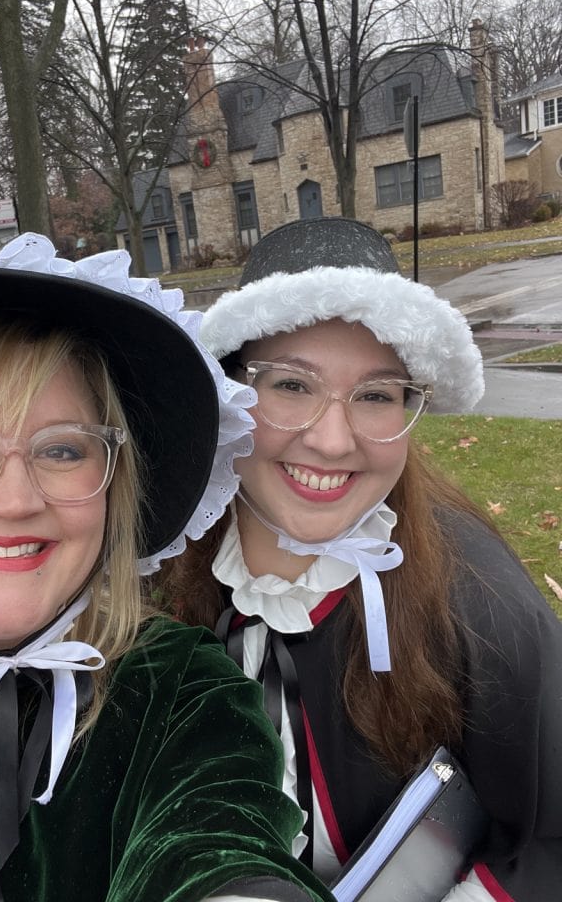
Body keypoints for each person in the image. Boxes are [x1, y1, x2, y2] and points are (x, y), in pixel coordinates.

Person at [0, 219, 334, 902]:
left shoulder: (175, 693)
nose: (15, 500)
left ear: (113, 483)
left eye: (63, 450)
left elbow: (217, 840)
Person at [160, 218, 562, 902]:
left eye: (376, 395)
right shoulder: (153, 583)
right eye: (290, 385)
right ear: (229, 393)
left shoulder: (483, 607)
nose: (332, 439)